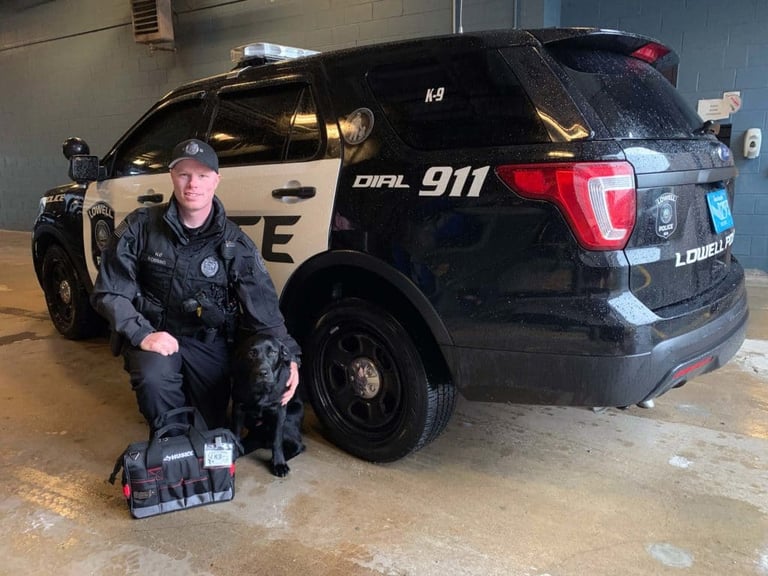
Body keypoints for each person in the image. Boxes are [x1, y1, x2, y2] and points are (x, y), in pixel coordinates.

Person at [91, 138, 301, 431]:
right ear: (172, 177)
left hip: (207, 341)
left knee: (211, 428)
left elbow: (264, 310)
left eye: (202, 175)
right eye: (184, 174)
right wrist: (141, 334)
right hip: (156, 332)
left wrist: (291, 357)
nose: (193, 184)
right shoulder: (141, 226)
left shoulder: (235, 244)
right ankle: (168, 434)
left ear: (216, 180)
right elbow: (110, 291)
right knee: (156, 383)